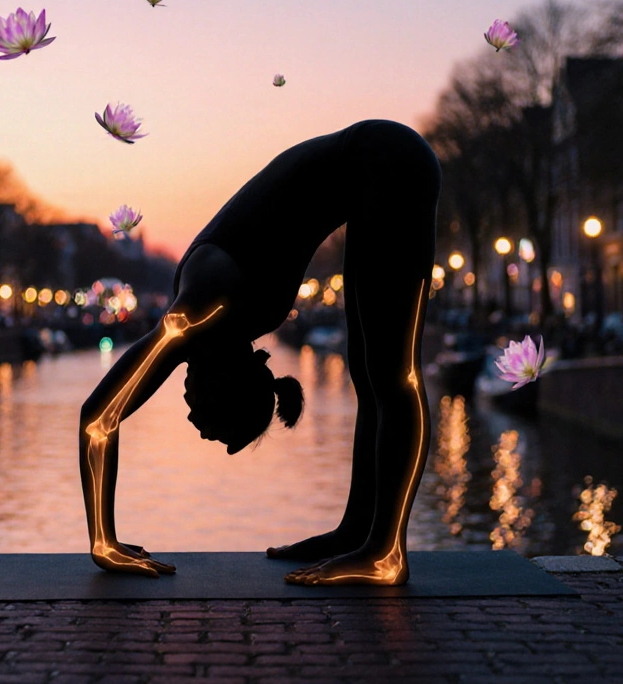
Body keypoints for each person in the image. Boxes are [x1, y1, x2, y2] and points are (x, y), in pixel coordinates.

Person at [79, 119, 441, 586]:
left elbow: (98, 417)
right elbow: (99, 418)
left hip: (392, 166)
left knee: (392, 373)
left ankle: (384, 552)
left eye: (197, 419)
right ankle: (359, 533)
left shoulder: (201, 312)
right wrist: (103, 541)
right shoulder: (208, 314)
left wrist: (105, 542)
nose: (188, 414)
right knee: (372, 374)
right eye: (204, 418)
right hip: (382, 168)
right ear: (221, 385)